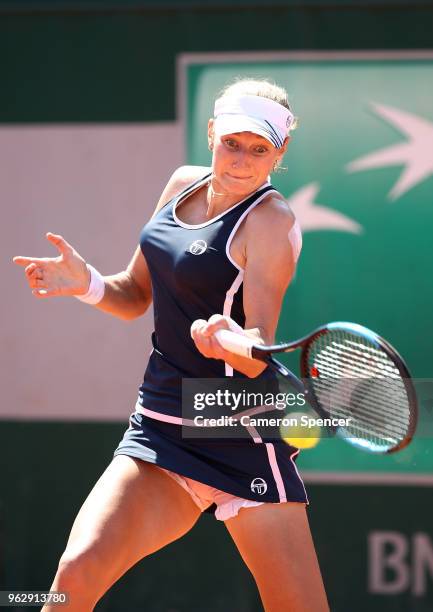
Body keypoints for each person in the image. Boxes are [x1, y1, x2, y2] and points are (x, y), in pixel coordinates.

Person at [13, 78, 329, 612]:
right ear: (211, 134)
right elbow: (134, 295)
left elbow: (260, 347)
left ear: (280, 151)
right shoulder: (181, 185)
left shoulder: (271, 224)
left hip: (237, 432)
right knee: (75, 574)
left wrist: (229, 343)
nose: (242, 161)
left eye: (260, 149)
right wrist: (84, 282)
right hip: (161, 427)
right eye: (232, 143)